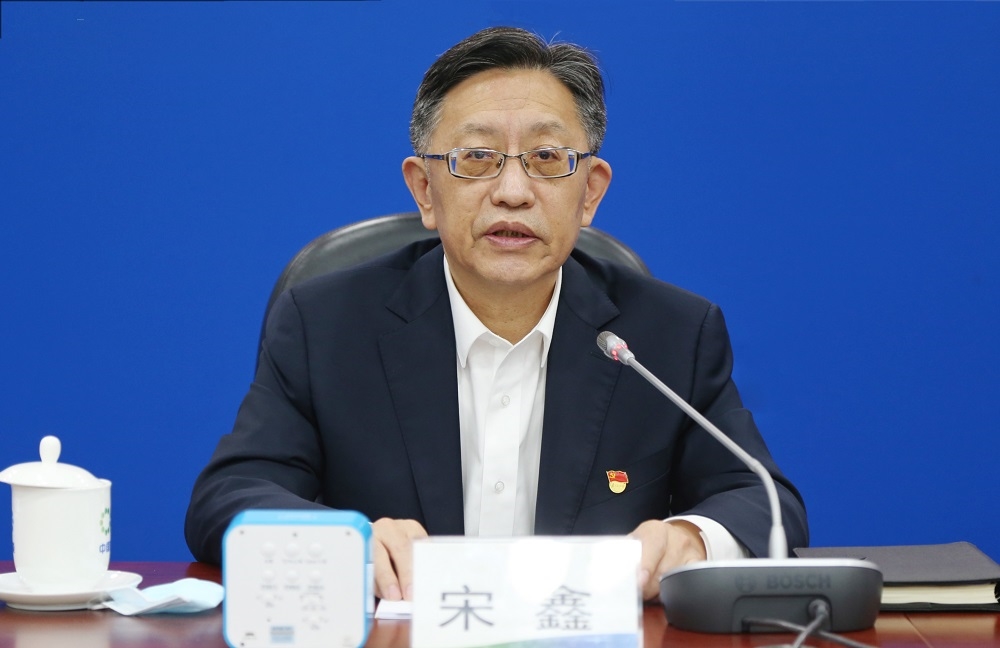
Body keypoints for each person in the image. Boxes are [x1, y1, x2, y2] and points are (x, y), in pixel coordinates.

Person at [185, 26, 808, 602]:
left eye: (547, 158)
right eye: (477, 158)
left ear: (589, 192)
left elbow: (764, 500)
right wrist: (348, 542)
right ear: (425, 190)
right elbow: (228, 496)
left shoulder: (668, 336)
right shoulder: (325, 325)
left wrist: (690, 541)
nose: (513, 192)